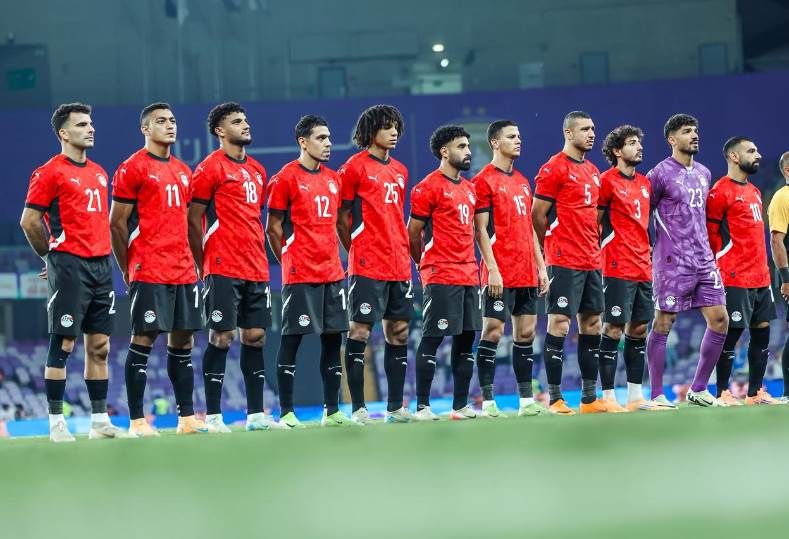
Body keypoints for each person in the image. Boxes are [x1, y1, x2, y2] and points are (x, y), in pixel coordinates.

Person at [20, 103, 124, 442]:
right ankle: (56, 423)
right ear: (64, 133)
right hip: (69, 265)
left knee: (100, 346)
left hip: (101, 265)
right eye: (81, 125)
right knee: (63, 343)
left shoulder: (99, 172)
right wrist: (50, 257)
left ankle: (99, 421)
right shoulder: (49, 172)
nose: (90, 129)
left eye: (90, 123)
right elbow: (29, 221)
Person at [110, 102, 211, 436]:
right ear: (145, 128)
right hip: (149, 267)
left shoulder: (183, 171)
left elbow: (189, 222)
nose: (170, 125)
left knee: (184, 341)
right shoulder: (132, 168)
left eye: (173, 120)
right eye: (161, 121)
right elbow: (117, 223)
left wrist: (196, 263)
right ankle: (137, 421)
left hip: (183, 269)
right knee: (144, 337)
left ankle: (186, 419)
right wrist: (127, 266)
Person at [188, 102, 283, 432]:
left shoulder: (257, 170)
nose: (245, 125)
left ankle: (255, 415)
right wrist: (202, 263)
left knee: (255, 336)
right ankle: (214, 416)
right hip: (222, 264)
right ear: (220, 130)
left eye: (245, 120)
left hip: (256, 266)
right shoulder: (208, 168)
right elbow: (193, 219)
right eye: (237, 121)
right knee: (222, 335)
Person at [266, 115, 351, 428]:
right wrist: (289, 259)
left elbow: (338, 223)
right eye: (321, 138)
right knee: (293, 340)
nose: (328, 144)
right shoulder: (285, 178)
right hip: (301, 274)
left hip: (332, 273)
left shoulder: (333, 179)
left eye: (329, 138)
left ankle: (333, 411)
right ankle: (287, 412)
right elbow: (273, 227)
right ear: (303, 142)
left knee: (332, 341)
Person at [336, 105, 414, 424]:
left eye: (396, 127)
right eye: (386, 127)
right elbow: (341, 217)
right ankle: (358, 408)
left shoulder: (401, 170)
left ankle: (395, 408)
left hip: (399, 263)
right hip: (368, 264)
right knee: (360, 331)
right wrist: (357, 250)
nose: (394, 132)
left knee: (399, 332)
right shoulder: (353, 168)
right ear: (371, 131)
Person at [645, 113, 729, 408]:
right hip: (672, 261)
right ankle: (656, 394)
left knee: (720, 320)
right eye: (686, 131)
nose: (694, 135)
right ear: (671, 139)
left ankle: (699, 389)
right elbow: (642, 214)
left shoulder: (704, 173)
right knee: (664, 322)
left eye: (695, 130)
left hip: (703, 260)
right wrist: (648, 249)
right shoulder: (659, 174)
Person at [471, 120, 549, 418]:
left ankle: (526, 402)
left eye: (519, 135)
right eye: (511, 136)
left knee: (526, 334)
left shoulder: (523, 181)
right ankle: (488, 402)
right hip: (499, 273)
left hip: (526, 271)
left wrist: (541, 267)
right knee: (492, 332)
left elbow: (530, 229)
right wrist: (492, 269)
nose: (518, 140)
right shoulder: (483, 181)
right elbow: (480, 229)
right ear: (494, 142)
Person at [532, 111, 607, 415]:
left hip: (592, 259)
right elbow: (537, 215)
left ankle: (589, 398)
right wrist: (547, 249)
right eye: (585, 129)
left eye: (593, 129)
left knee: (592, 324)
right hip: (563, 259)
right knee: (560, 324)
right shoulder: (554, 168)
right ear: (568, 132)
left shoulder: (593, 171)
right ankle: (555, 398)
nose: (591, 134)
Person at [408, 125, 483, 420]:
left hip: (469, 274)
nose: (468, 151)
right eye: (461, 146)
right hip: (441, 275)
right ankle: (423, 407)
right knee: (433, 338)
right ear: (444, 151)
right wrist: (423, 262)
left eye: (468, 146)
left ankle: (460, 406)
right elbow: (413, 233)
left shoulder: (470, 189)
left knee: (465, 341)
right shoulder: (427, 187)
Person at [706, 137, 778, 405]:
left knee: (762, 331)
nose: (757, 155)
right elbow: (710, 236)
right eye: (751, 151)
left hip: (761, 276)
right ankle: (721, 392)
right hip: (734, 275)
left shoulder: (755, 192)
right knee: (731, 333)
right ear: (734, 157)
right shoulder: (719, 192)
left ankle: (755, 393)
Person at [597, 125, 660, 411]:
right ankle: (609, 396)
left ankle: (635, 397)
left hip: (642, 266)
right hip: (616, 265)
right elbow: (594, 222)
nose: (639, 147)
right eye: (632, 143)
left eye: (639, 142)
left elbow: (644, 224)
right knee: (613, 328)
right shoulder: (605, 181)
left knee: (639, 329)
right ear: (617, 151)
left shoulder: (645, 183)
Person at [766, 150, 789, 404]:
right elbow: (776, 240)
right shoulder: (782, 198)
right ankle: (788, 393)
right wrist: (786, 278)